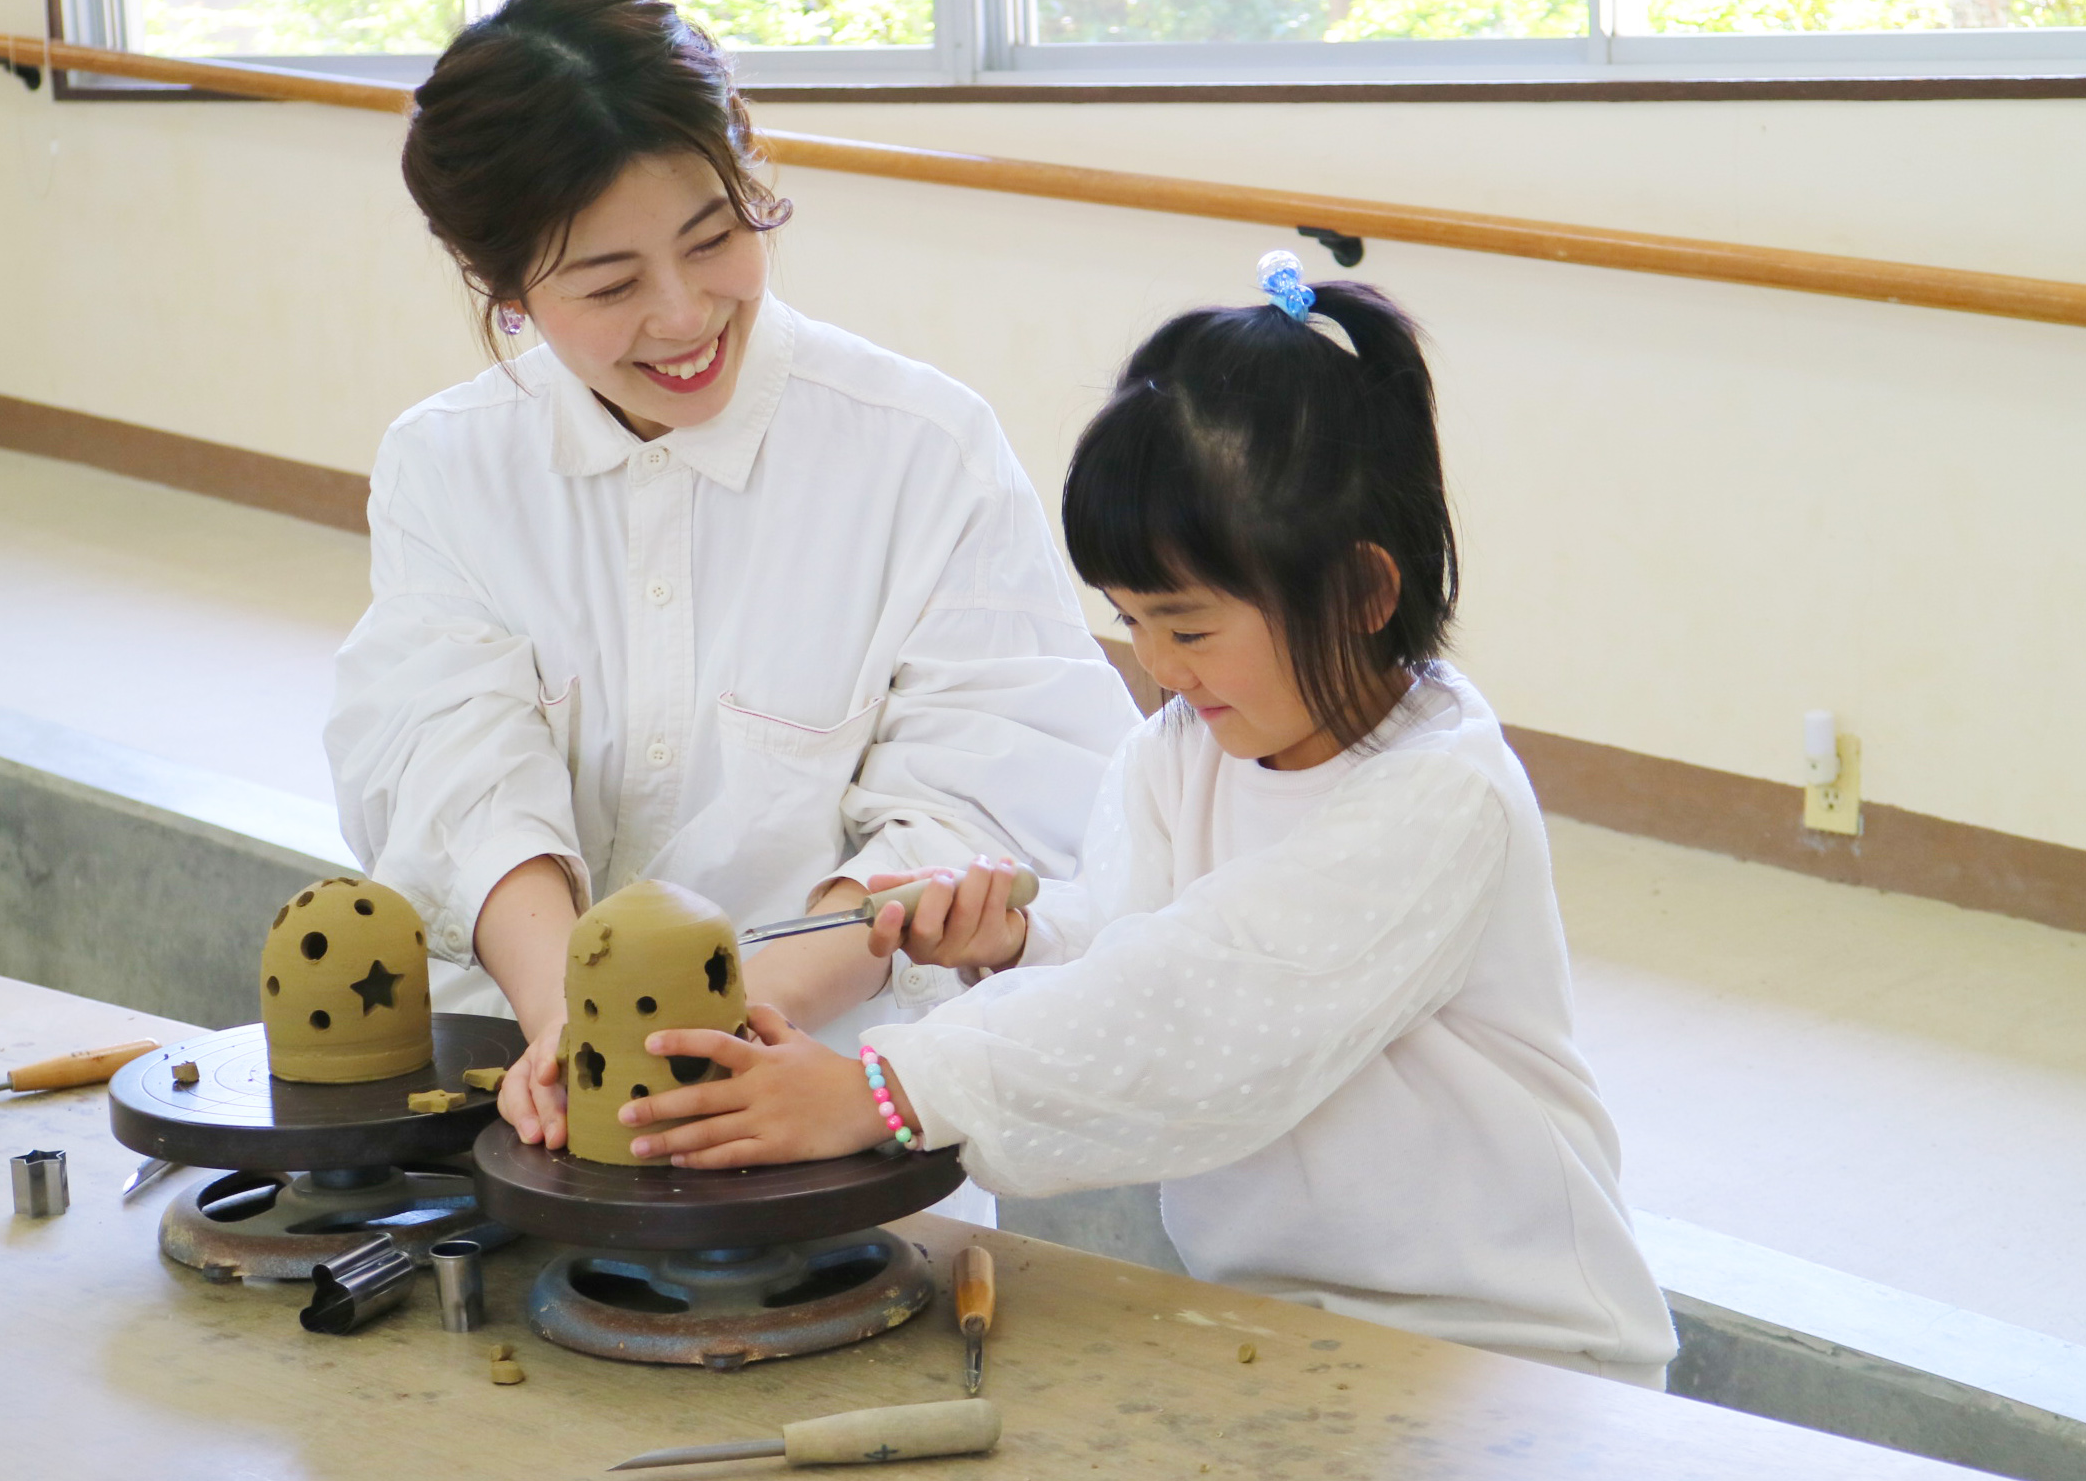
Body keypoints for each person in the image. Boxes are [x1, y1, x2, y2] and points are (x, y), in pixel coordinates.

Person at [614, 254, 1680, 1388]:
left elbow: (1200, 998)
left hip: (1507, 1349)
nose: (1158, 669)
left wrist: (888, 1087)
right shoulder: (1183, 749)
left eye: (1189, 626)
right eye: (1129, 622)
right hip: (1285, 1323)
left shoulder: (1439, 797)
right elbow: (1129, 941)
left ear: (1365, 595)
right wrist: (1019, 940)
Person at [324, 0, 1140, 1165]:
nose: (682, 314)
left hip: (816, 1117)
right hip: (541, 1112)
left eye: (713, 239)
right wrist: (570, 1022)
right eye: (608, 285)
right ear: (505, 293)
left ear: (748, 178)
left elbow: (986, 785)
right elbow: (452, 772)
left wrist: (748, 1022)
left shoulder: (921, 450)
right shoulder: (449, 467)